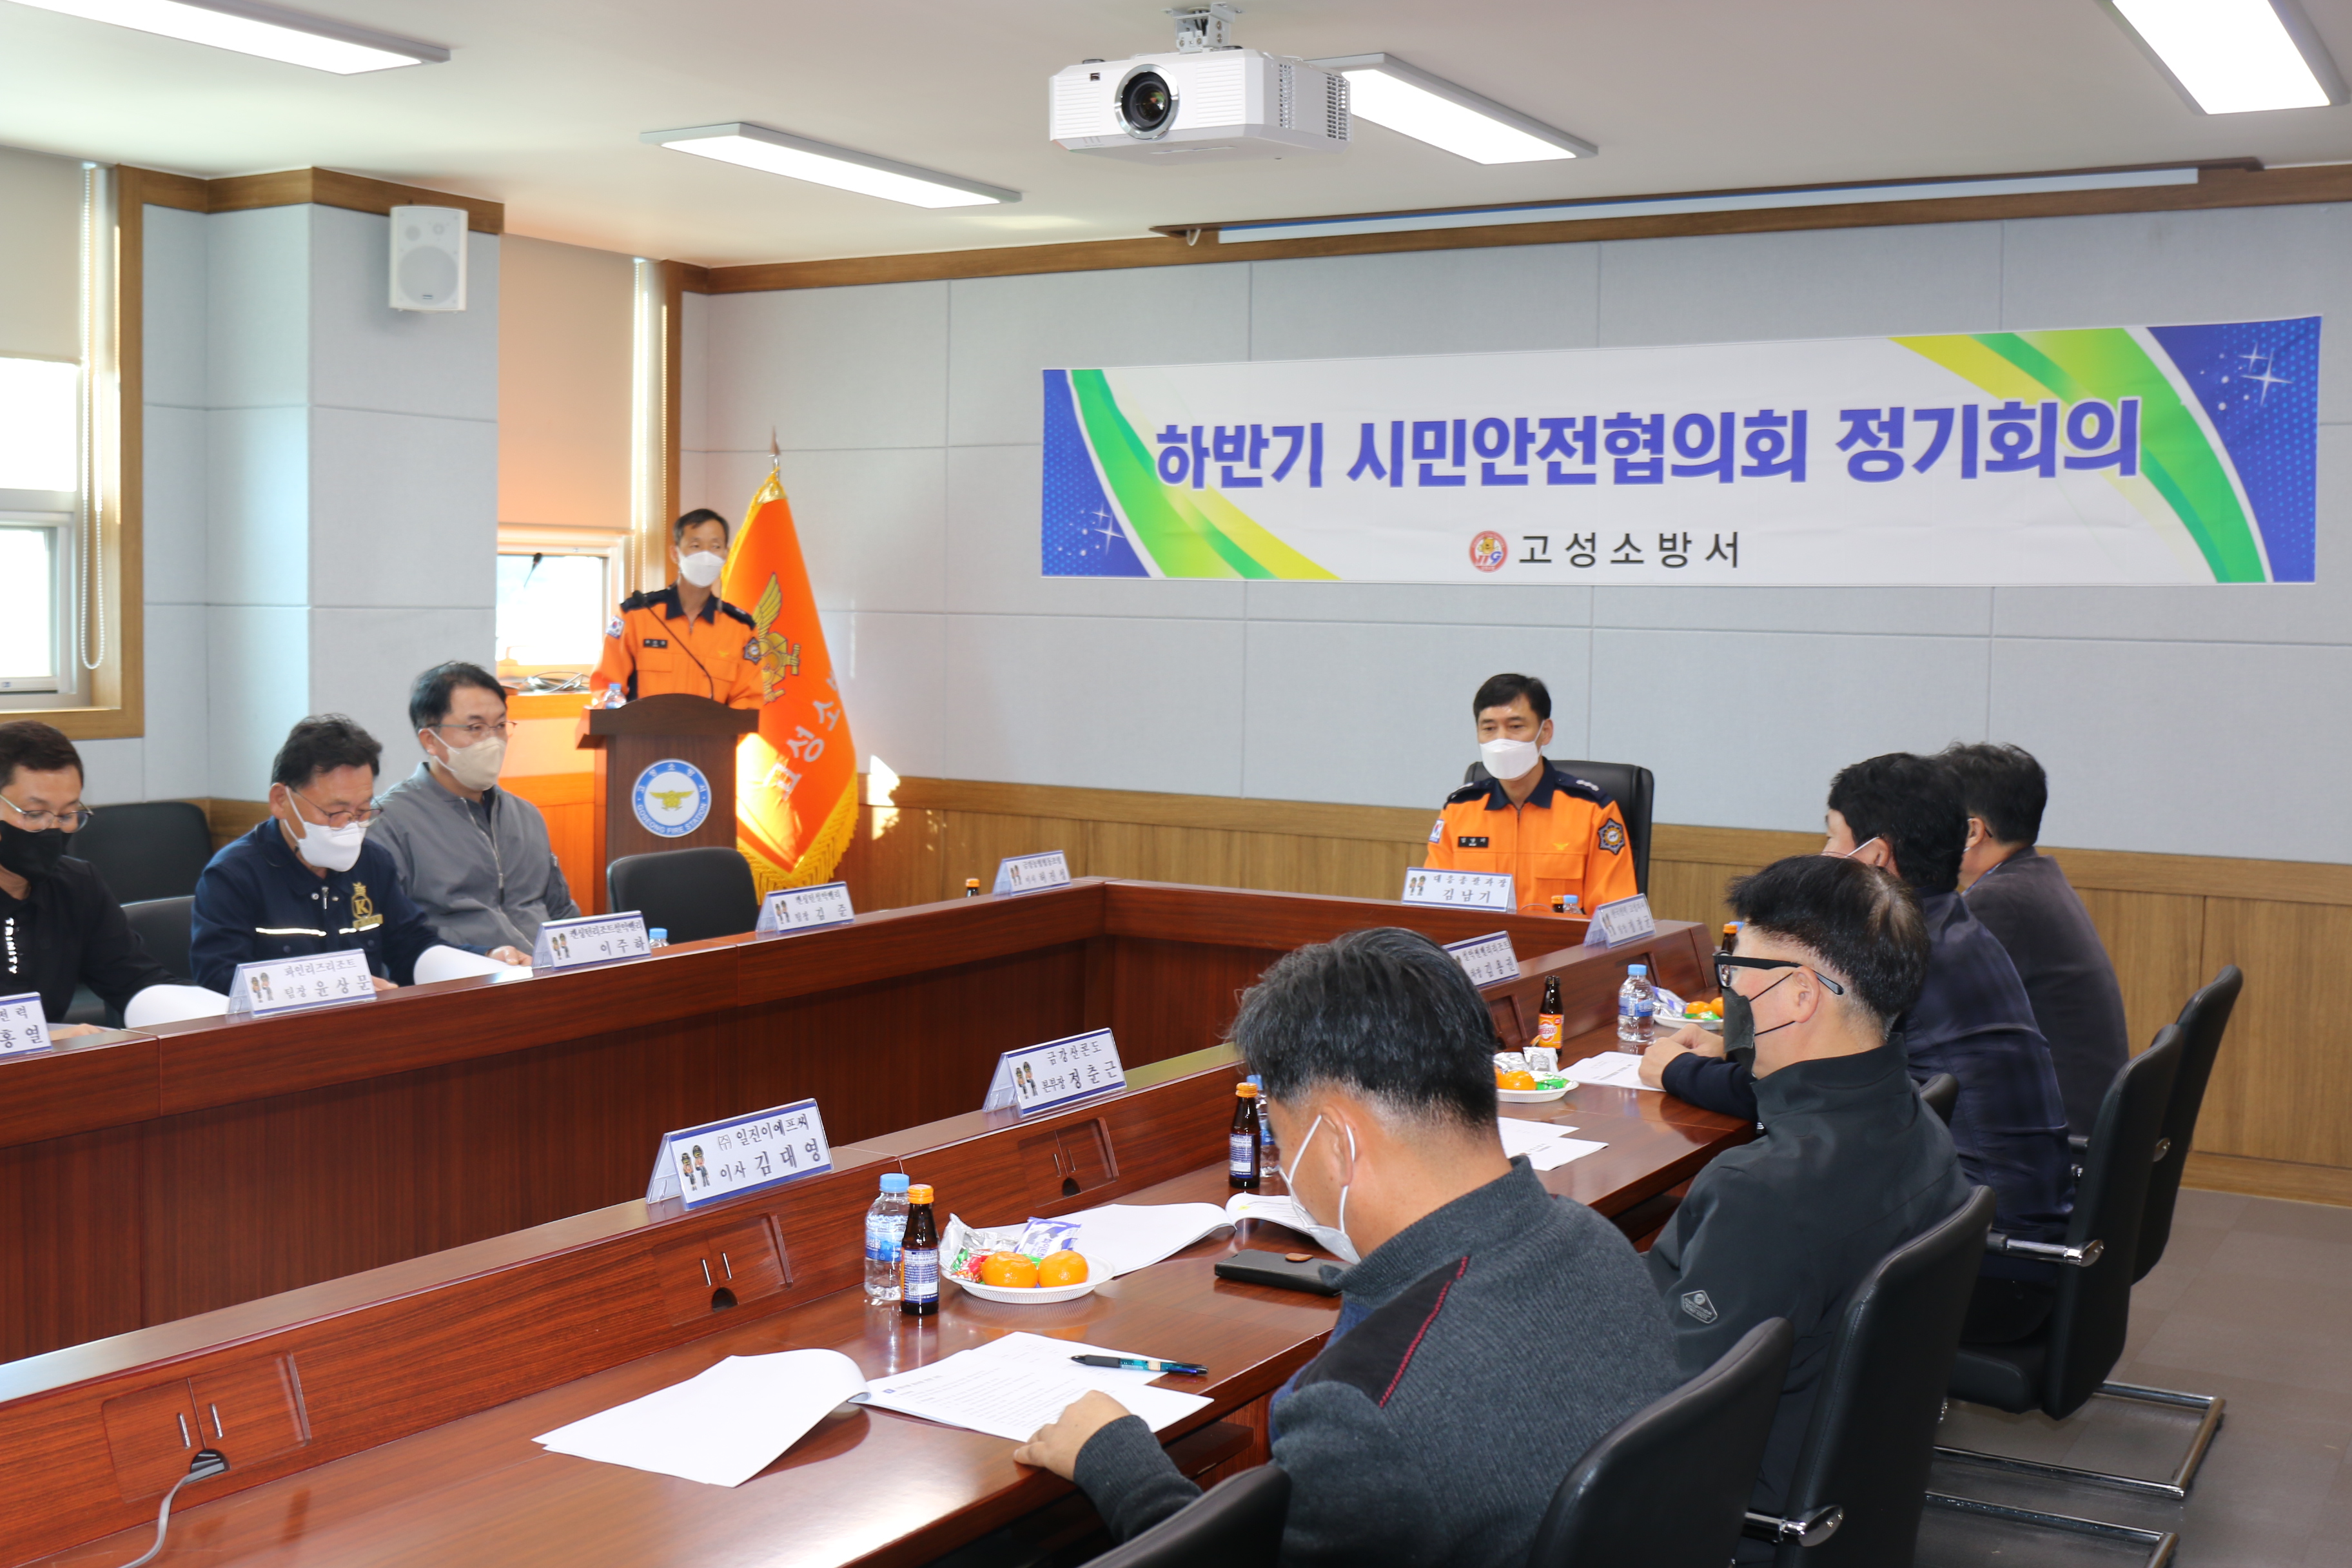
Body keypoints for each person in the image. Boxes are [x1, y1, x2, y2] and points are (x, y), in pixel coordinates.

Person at [1012, 926, 1680, 1565]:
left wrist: (1121, 1464)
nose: (1283, 1161)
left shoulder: (1363, 1407)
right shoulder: (1598, 1244)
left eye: (1279, 1135)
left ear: (1336, 1141)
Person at [1642, 752, 2073, 1343]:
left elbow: (1684, 1373)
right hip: (1960, 1243)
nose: (1732, 988)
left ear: (1874, 858)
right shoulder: (1949, 937)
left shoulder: (1754, 1190)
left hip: (1996, 1266)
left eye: (1831, 838)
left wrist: (1681, 1069)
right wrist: (1735, 1042)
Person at [1645, 855, 1968, 1542]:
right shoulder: (1921, 1123)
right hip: (1841, 1495)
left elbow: (1665, 1416)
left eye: (1736, 971)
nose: (1729, 993)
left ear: (1799, 995)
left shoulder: (1761, 1193)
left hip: (1736, 1521)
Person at [1940, 741, 2130, 1142]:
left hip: (2054, 1138)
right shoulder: (2033, 878)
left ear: (1972, 832)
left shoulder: (2000, 901)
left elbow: (1931, 1016)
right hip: (2079, 1120)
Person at [190, 715, 456, 994]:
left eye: (362, 811)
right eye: (334, 812)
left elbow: (412, 945)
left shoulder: (373, 862)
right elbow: (220, 979)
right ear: (281, 801)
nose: (349, 825)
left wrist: (477, 962)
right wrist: (337, 988)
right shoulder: (233, 876)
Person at [372, 662, 575, 961]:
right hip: (467, 977)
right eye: (475, 728)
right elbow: (395, 938)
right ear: (430, 740)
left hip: (547, 973)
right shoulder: (389, 822)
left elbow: (562, 912)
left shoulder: (525, 815)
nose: (491, 741)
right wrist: (484, 958)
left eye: (500, 726)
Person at [0, 720, 176, 1036]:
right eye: (35, 815)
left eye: (68, 815)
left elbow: (134, 980)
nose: (54, 829)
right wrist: (46, 1039)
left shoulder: (77, 885)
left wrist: (207, 1013)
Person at [1420, 673, 1640, 917]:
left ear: (1545, 732)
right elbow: (1433, 907)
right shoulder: (1459, 810)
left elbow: (1615, 916)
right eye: (1489, 728)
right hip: (1481, 941)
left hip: (1561, 942)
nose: (1501, 740)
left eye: (1516, 727)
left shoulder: (1593, 810)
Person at [589, 508, 763, 708]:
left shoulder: (741, 628)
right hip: (642, 728)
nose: (706, 555)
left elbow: (748, 702)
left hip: (712, 730)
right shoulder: (636, 615)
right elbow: (607, 689)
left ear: (726, 554)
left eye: (715, 547)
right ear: (675, 553)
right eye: (696, 546)